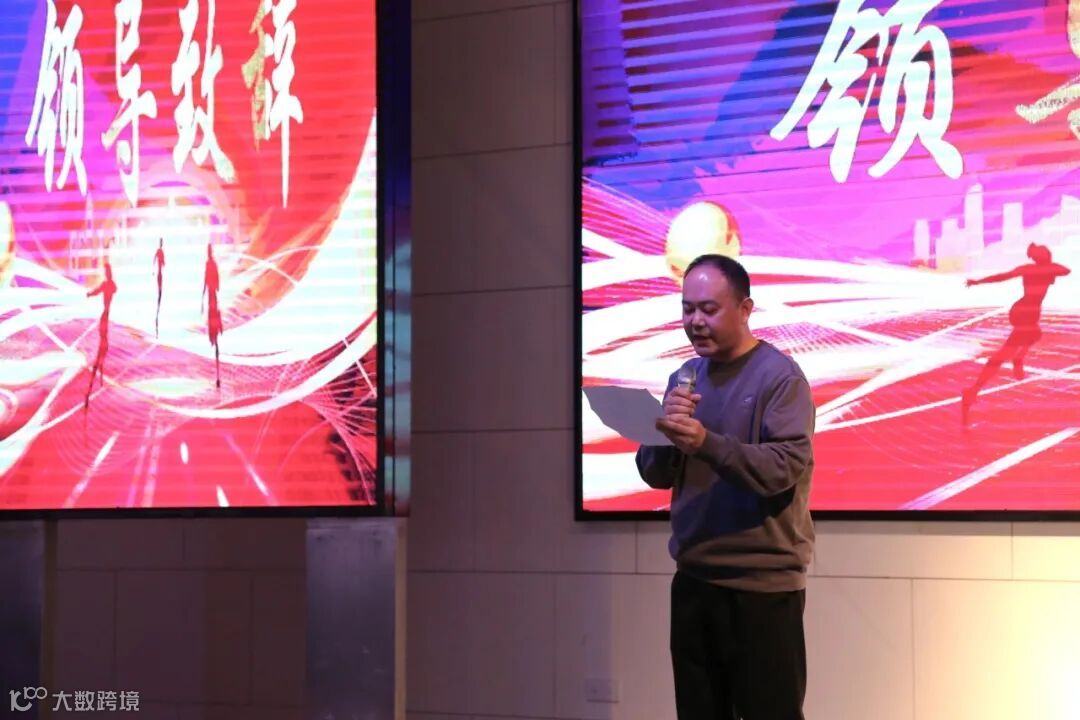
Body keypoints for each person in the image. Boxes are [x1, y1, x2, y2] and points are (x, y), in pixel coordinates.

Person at [636, 253, 815, 720]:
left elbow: (782, 468)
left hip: (762, 588)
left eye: (709, 309)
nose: (695, 321)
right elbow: (656, 474)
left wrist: (705, 443)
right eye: (687, 309)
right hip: (694, 581)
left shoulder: (780, 378)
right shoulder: (683, 378)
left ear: (745, 308)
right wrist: (663, 436)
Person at [961, 243, 1070, 424]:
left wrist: (978, 282)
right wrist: (978, 282)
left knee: (1034, 334)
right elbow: (1002, 277)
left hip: (1028, 312)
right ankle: (974, 390)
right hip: (1024, 313)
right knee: (1005, 353)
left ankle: (1016, 359)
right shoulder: (1041, 269)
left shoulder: (1040, 269)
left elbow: (1066, 270)